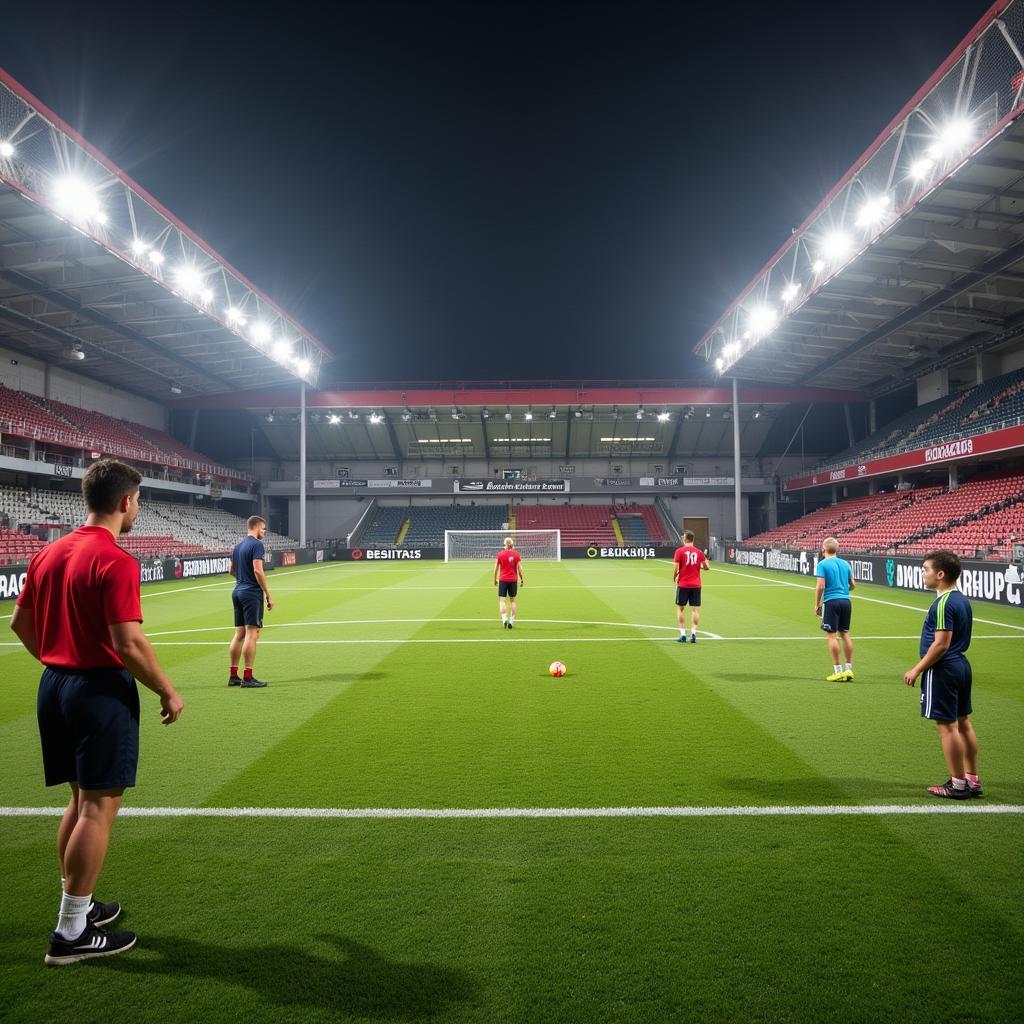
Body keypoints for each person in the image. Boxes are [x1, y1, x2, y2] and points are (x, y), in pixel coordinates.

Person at [10, 458, 184, 965]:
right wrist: (168, 691)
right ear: (126, 501)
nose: (139, 509)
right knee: (98, 808)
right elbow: (128, 645)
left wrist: (57, 658)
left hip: (55, 685)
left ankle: (77, 909)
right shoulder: (116, 560)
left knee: (78, 800)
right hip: (98, 691)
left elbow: (21, 623)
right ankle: (70, 932)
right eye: (139, 501)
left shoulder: (49, 553)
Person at [903, 550, 981, 799]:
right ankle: (972, 779)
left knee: (947, 727)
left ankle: (957, 784)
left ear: (940, 574)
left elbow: (941, 644)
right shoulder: (960, 599)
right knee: (963, 723)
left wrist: (917, 668)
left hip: (944, 668)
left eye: (925, 569)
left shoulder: (944, 603)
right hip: (960, 666)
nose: (923, 573)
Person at [228, 515, 274, 688]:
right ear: (255, 527)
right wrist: (267, 593)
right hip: (251, 593)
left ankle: (233, 676)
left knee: (239, 634)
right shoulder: (256, 545)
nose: (264, 532)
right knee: (251, 634)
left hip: (237, 591)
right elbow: (258, 571)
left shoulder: (237, 546)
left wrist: (242, 578)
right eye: (263, 528)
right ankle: (248, 677)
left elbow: (231, 570)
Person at [814, 537, 855, 681]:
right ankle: (849, 669)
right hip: (846, 601)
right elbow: (853, 585)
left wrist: (816, 604)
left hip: (831, 601)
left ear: (823, 549)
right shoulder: (845, 564)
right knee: (845, 634)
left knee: (831, 636)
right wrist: (844, 588)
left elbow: (820, 586)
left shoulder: (822, 564)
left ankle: (837, 671)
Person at [672, 530, 709, 643]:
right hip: (696, 585)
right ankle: (693, 634)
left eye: (683, 537)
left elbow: (676, 568)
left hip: (683, 584)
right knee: (695, 610)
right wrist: (705, 561)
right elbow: (706, 567)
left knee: (680, 608)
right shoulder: (699, 552)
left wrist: (673, 578)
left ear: (686, 539)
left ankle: (683, 634)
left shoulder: (679, 551)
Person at [493, 536, 524, 629]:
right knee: (513, 601)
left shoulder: (500, 554)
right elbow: (520, 568)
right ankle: (511, 621)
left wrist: (494, 579)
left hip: (503, 580)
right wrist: (522, 579)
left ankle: (504, 619)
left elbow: (496, 569)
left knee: (502, 600)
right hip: (513, 580)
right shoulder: (516, 555)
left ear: (506, 545)